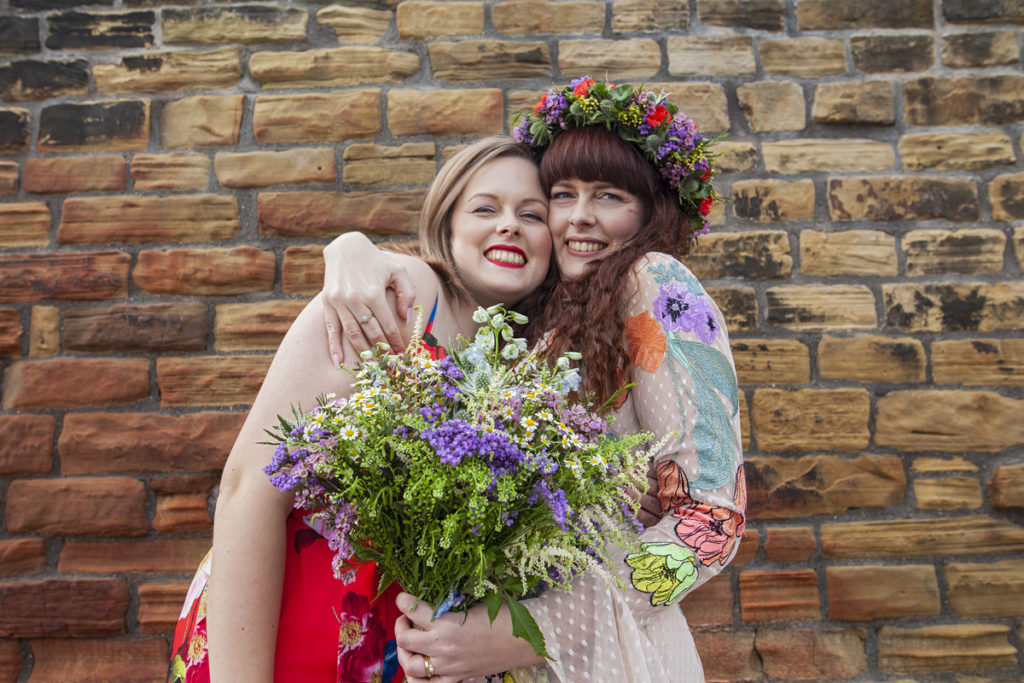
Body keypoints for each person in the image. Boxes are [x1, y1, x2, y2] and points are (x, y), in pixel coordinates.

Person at [318, 78, 746, 682]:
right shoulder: (547, 318)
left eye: (609, 196)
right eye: (562, 195)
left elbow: (711, 522)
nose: (578, 218)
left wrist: (527, 632)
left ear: (653, 212)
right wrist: (350, 248)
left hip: (609, 658)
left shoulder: (655, 283)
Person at [167, 136, 555, 683]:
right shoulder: (397, 298)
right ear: (446, 226)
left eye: (531, 214)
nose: (510, 224)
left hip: (393, 647)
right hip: (286, 627)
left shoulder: (523, 366)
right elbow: (248, 490)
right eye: (485, 208)